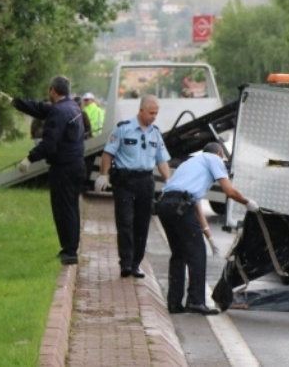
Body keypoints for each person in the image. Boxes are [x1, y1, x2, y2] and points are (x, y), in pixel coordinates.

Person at [156, 142, 259, 315]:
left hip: (165, 205)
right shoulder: (214, 159)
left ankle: (174, 303)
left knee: (179, 255)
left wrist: (209, 236)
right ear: (219, 153)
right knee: (197, 254)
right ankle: (196, 301)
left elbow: (194, 203)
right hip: (181, 206)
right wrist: (248, 203)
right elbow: (229, 191)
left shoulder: (189, 164)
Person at [95, 95, 172, 279]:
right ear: (141, 110)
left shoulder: (155, 133)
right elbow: (108, 152)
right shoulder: (124, 129)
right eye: (151, 113)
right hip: (125, 181)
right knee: (125, 222)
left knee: (142, 224)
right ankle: (126, 263)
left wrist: (169, 181)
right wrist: (103, 175)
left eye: (156, 113)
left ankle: (136, 263)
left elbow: (161, 160)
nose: (154, 116)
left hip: (146, 181)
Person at [13, 75, 86, 265]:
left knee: (64, 210)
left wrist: (30, 158)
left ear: (53, 90)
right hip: (76, 165)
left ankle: (70, 252)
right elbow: (41, 108)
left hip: (64, 167)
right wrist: (15, 102)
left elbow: (49, 144)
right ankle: (70, 248)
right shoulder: (71, 107)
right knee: (71, 208)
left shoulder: (60, 112)